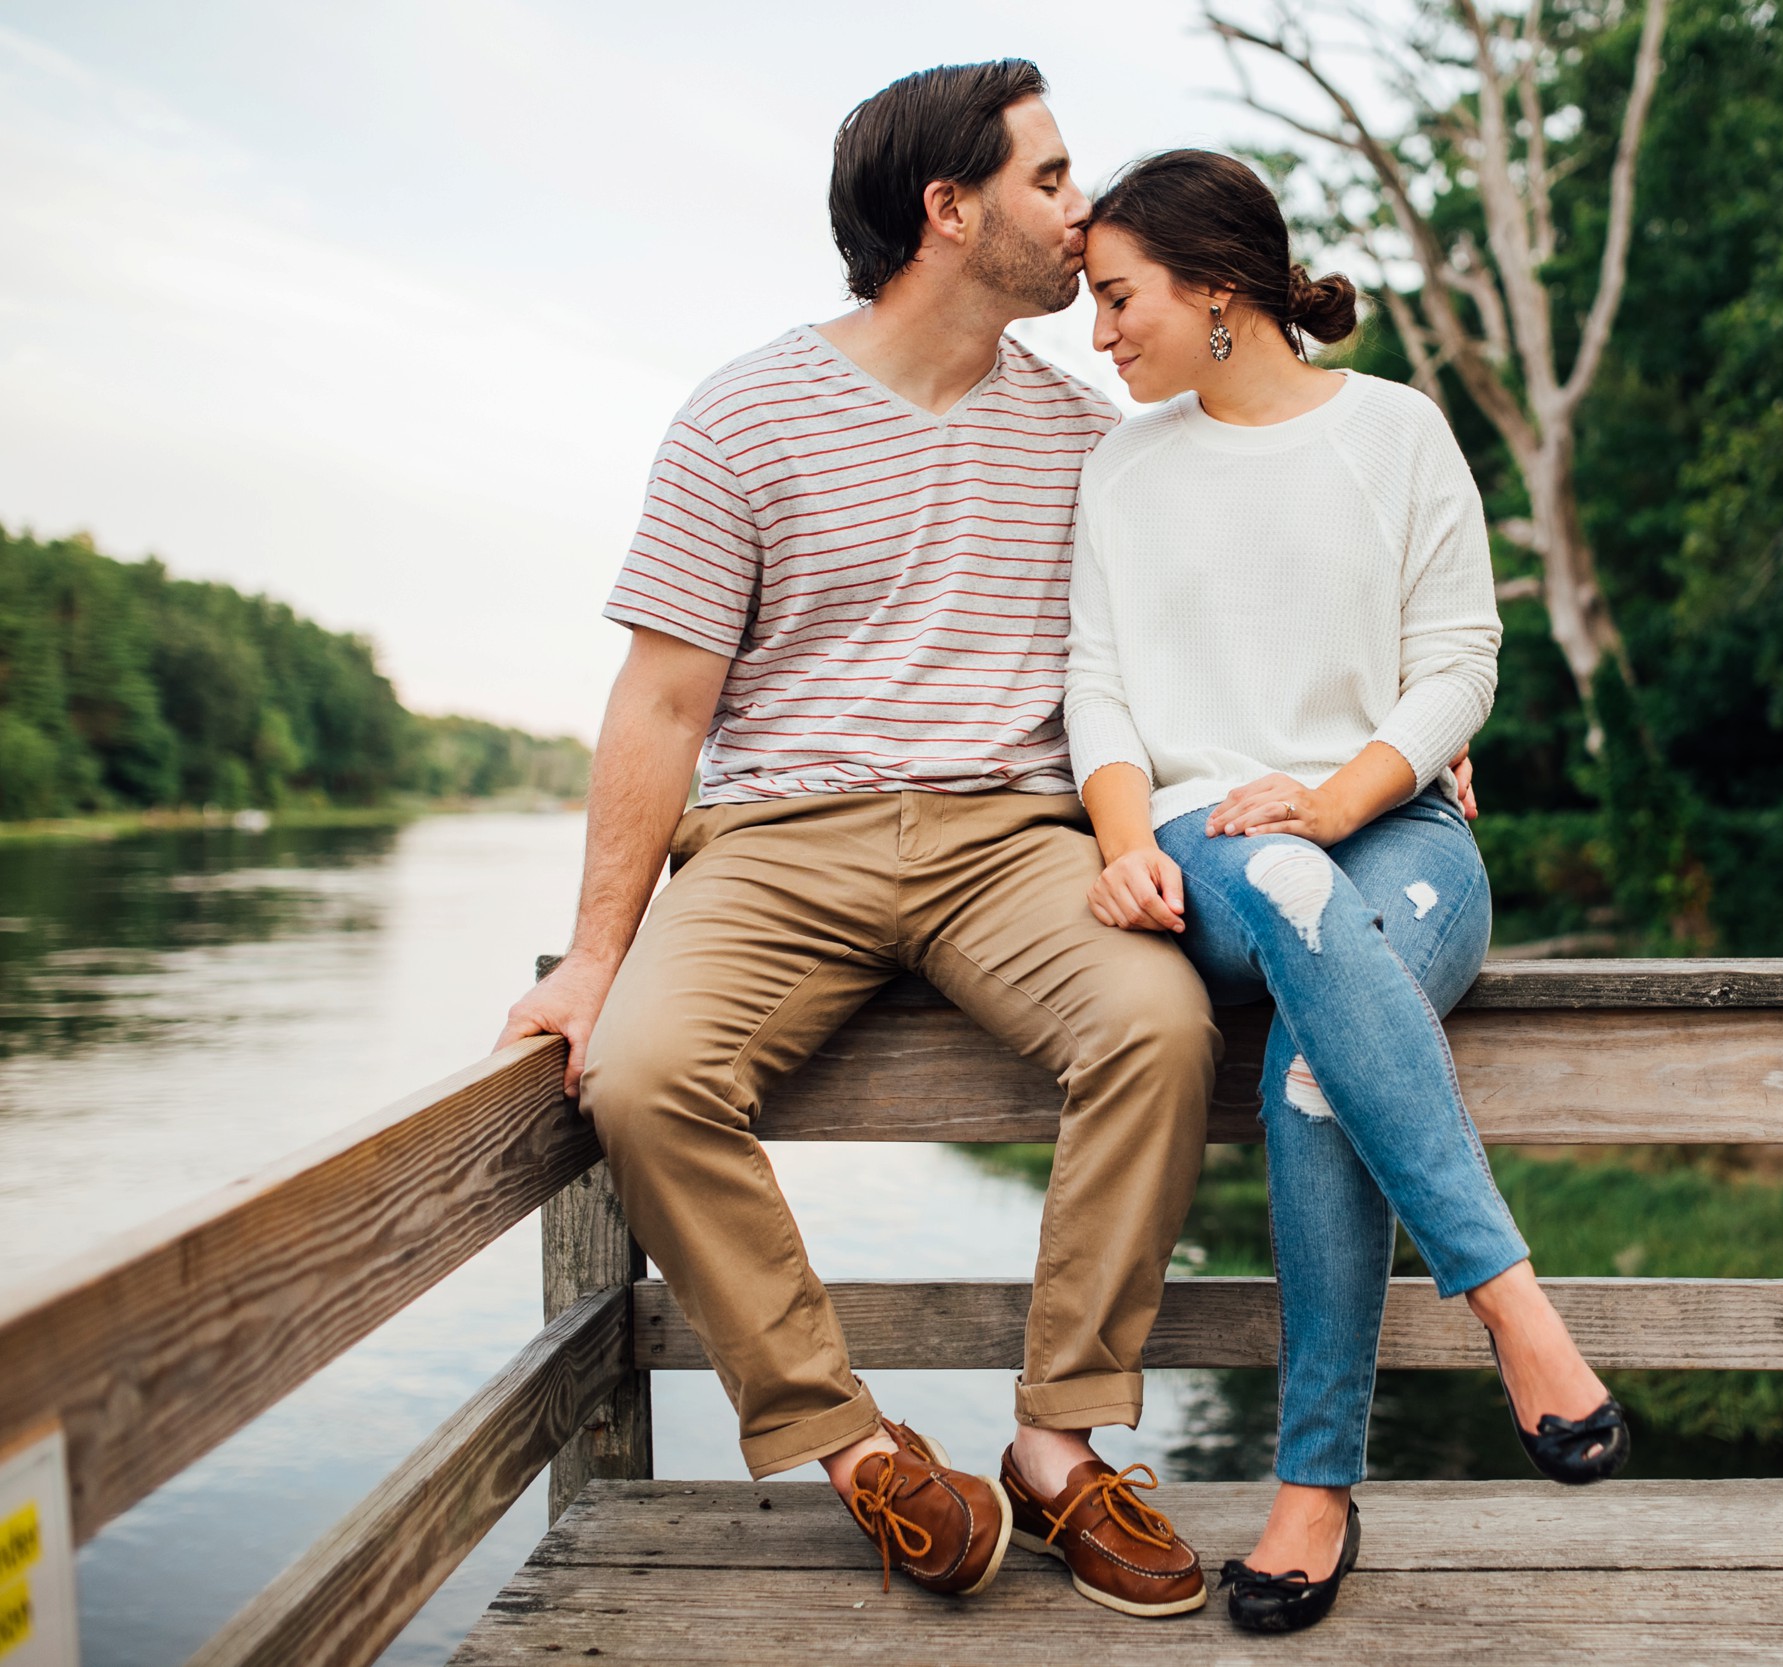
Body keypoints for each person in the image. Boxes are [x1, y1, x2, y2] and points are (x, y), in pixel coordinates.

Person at [496, 62, 1218, 1619]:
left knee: (1160, 1028)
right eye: (1046, 179)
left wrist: (1404, 742)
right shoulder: (743, 416)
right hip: (778, 841)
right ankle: (855, 1446)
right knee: (638, 1074)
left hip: (1013, 839)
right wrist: (597, 958)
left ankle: (1058, 1448)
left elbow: (1200, 640)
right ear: (948, 211)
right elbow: (661, 702)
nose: (1082, 208)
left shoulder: (1091, 439)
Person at [1064, 149, 1630, 1637]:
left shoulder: (1396, 432)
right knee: (1295, 890)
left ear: (1218, 290)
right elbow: (1099, 691)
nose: (1100, 332)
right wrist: (1122, 838)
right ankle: (1511, 1299)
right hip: (1213, 846)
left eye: (1118, 298)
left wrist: (1337, 796)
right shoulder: (1123, 466)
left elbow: (1460, 663)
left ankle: (1315, 1488)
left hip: (1400, 832)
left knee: (1316, 1070)